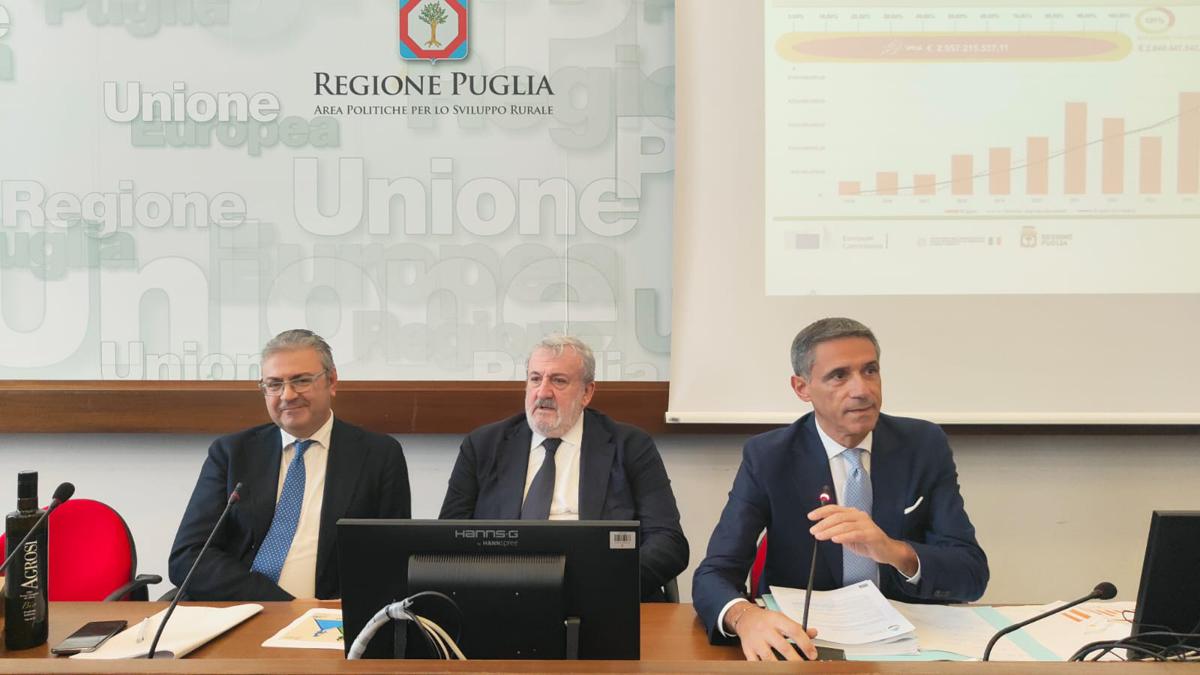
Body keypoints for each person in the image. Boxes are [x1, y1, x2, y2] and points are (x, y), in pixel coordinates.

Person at [692, 317, 988, 660]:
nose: (862, 389)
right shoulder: (769, 457)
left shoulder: (923, 446)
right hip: (806, 645)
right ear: (802, 388)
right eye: (839, 376)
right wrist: (745, 617)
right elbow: (714, 573)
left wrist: (894, 550)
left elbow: (971, 573)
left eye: (870, 371)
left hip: (910, 646)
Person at [439, 335, 689, 600]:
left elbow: (668, 541)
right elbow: (446, 539)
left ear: (587, 393)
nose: (543, 392)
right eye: (535, 379)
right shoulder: (483, 446)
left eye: (558, 381)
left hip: (601, 595)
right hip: (500, 595)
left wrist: (611, 584)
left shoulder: (630, 447)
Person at [169, 329, 411, 600]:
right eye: (274, 384)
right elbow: (188, 557)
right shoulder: (232, 453)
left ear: (331, 381)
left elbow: (393, 559)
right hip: (242, 609)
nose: (287, 395)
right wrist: (278, 603)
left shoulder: (378, 456)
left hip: (327, 615)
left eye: (301, 381)